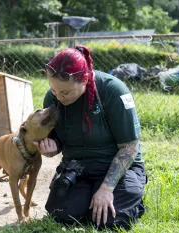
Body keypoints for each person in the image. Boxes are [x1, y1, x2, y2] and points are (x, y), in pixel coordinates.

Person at [32, 46, 147, 230]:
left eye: (65, 92)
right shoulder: (53, 97)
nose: (59, 97)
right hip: (78, 167)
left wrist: (106, 189)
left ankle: (129, 200)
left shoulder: (113, 91)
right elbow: (56, 140)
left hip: (115, 166)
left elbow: (130, 147)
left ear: (84, 79)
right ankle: (92, 198)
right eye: (54, 90)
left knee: (109, 221)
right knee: (61, 214)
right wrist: (50, 148)